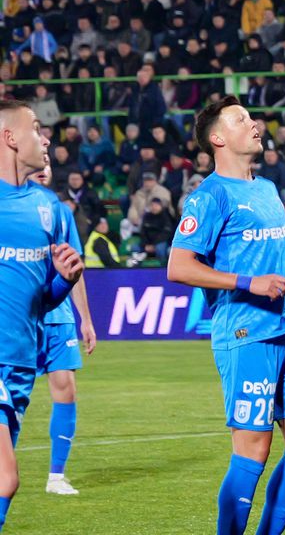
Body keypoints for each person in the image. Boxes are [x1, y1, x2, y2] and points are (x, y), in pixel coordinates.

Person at [167, 96, 285, 535]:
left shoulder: (267, 188)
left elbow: (277, 258)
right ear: (218, 138)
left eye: (251, 117)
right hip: (247, 334)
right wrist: (246, 283)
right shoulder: (210, 196)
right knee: (254, 451)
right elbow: (179, 267)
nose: (254, 123)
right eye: (240, 120)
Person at [0, 100, 85, 530]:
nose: (45, 136)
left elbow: (42, 300)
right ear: (10, 138)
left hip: (19, 364)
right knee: (5, 479)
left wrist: (64, 282)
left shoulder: (48, 207)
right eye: (35, 128)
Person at [33, 159, 97, 496]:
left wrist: (85, 318)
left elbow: (75, 269)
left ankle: (56, 476)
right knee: (10, 397)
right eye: (38, 158)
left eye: (47, 161)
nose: (44, 165)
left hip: (59, 317)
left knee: (66, 388)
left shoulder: (60, 212)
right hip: (21, 316)